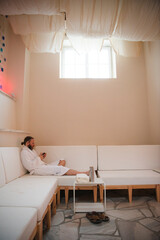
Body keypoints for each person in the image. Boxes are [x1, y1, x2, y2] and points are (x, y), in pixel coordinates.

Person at [21, 136, 89, 176]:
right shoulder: (24, 152)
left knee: (62, 160)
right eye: (32, 143)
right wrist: (39, 158)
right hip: (36, 170)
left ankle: (56, 171)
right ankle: (83, 173)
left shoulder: (31, 150)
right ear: (27, 143)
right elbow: (29, 166)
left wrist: (41, 157)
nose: (34, 144)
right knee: (60, 168)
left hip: (42, 166)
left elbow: (36, 160)